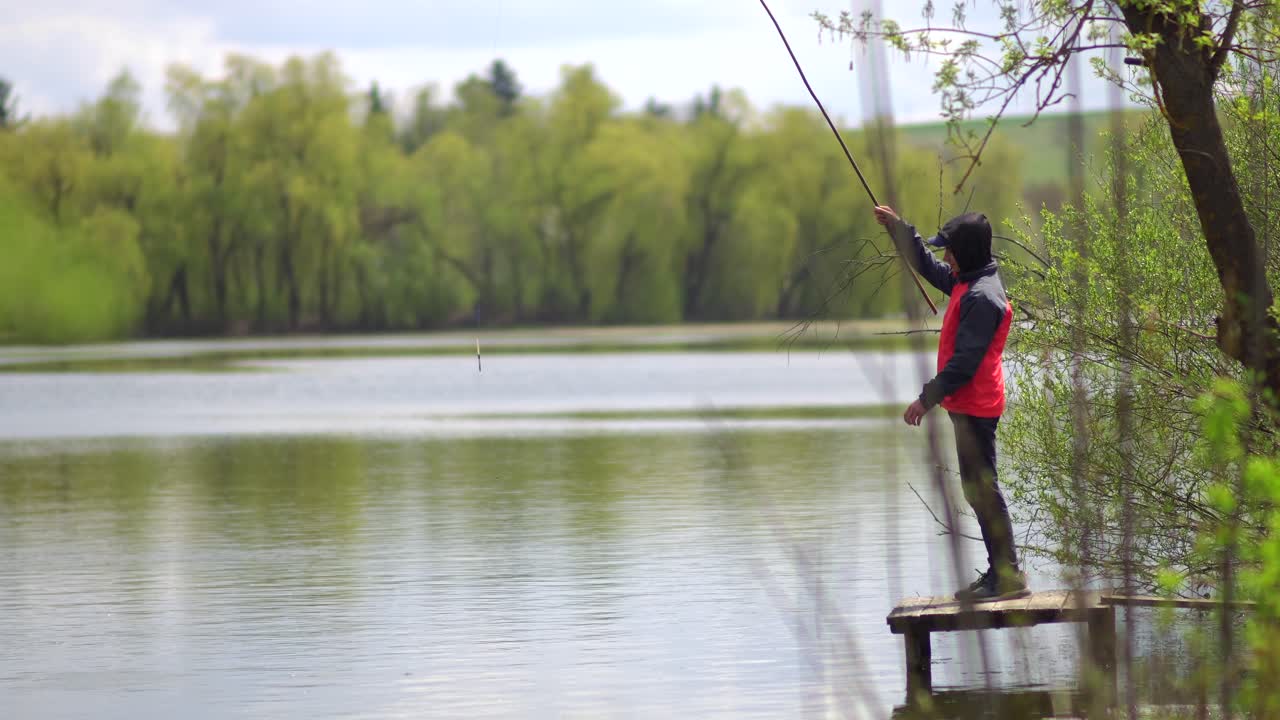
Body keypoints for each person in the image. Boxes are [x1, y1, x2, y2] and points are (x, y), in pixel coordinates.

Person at [873, 205, 1029, 603]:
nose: (946, 258)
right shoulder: (970, 281)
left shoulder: (983, 298)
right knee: (978, 488)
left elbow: (963, 365)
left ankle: (1007, 575)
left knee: (982, 489)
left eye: (951, 251)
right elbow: (929, 268)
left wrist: (925, 400)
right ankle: (1000, 573)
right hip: (970, 405)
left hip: (976, 405)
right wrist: (899, 230)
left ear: (969, 253)